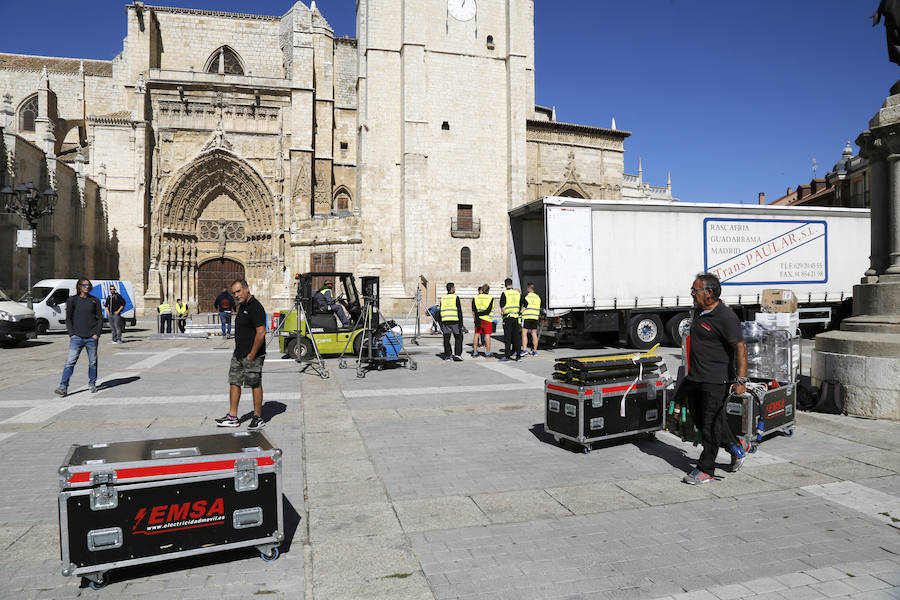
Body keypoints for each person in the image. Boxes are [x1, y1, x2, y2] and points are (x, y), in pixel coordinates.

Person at [678, 272, 750, 485]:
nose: (692, 293)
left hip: (716, 380)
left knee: (710, 425)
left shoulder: (726, 317)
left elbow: (740, 349)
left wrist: (741, 380)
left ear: (709, 293)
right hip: (696, 377)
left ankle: (706, 469)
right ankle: (736, 446)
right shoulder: (698, 310)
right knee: (704, 422)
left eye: (695, 290)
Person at [215, 279, 267, 430]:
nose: (236, 295)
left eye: (238, 291)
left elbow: (261, 332)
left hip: (253, 355)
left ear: (247, 289)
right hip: (239, 354)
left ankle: (257, 417)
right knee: (234, 382)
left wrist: (252, 354)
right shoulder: (243, 306)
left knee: (254, 384)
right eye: (234, 293)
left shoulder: (255, 307)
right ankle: (232, 417)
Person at [55, 278, 102, 396]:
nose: (87, 287)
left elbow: (100, 318)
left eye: (88, 285)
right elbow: (68, 318)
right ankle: (63, 386)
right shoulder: (72, 300)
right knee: (70, 362)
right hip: (76, 338)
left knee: (93, 362)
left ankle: (92, 383)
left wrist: (97, 334)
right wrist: (71, 334)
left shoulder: (94, 300)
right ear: (79, 287)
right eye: (84, 285)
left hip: (91, 337)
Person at [439, 282, 464, 361]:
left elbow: (440, 310)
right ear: (452, 288)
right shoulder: (455, 297)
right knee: (458, 338)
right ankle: (457, 355)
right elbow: (459, 311)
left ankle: (448, 355)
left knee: (446, 339)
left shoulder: (443, 298)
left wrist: (441, 322)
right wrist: (461, 323)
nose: (455, 289)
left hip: (445, 321)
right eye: (454, 287)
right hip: (455, 321)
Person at [499, 278, 521, 361]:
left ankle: (507, 355)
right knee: (516, 337)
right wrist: (520, 313)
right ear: (512, 284)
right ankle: (518, 356)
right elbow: (525, 304)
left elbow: (502, 305)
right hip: (516, 317)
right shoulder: (517, 293)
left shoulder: (505, 293)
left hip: (508, 318)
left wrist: (505, 313)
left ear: (505, 285)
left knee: (507, 337)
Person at [471, 284, 494, 357]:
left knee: (476, 334)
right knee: (487, 335)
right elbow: (488, 310)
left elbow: (474, 310)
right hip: (487, 319)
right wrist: (482, 313)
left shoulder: (475, 298)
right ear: (488, 290)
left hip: (478, 319)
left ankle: (475, 351)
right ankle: (487, 353)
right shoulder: (490, 298)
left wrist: (477, 315)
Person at [520, 282, 541, 357]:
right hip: (535, 317)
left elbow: (524, 306)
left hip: (527, 317)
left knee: (524, 333)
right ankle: (535, 351)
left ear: (529, 288)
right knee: (534, 334)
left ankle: (525, 349)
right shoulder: (538, 297)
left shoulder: (526, 296)